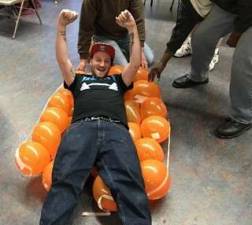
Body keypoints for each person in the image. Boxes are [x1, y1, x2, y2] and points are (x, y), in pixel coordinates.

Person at [39, 9, 151, 225]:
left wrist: (133, 30)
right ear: (91, 62)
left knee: (131, 184)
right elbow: (63, 61)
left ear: (110, 65)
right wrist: (61, 29)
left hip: (116, 131)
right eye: (97, 59)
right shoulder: (78, 81)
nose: (101, 63)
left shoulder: (118, 82)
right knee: (64, 181)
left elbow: (135, 64)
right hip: (82, 129)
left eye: (106, 61)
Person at [171, 0, 252, 139]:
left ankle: (243, 116)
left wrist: (237, 32)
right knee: (202, 36)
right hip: (233, 6)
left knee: (244, 58)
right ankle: (198, 76)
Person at [148, 0, 219, 81]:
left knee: (203, 36)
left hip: (229, 8)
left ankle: (213, 50)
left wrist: (236, 32)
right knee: (197, 35)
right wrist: (162, 62)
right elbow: (180, 31)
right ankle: (198, 76)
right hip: (201, 6)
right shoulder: (190, 6)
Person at [77, 0, 154, 72]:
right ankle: (99, 48)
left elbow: (139, 20)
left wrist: (141, 50)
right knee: (125, 69)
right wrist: (83, 59)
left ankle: (119, 54)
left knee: (149, 59)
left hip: (125, 35)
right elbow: (85, 27)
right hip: (103, 36)